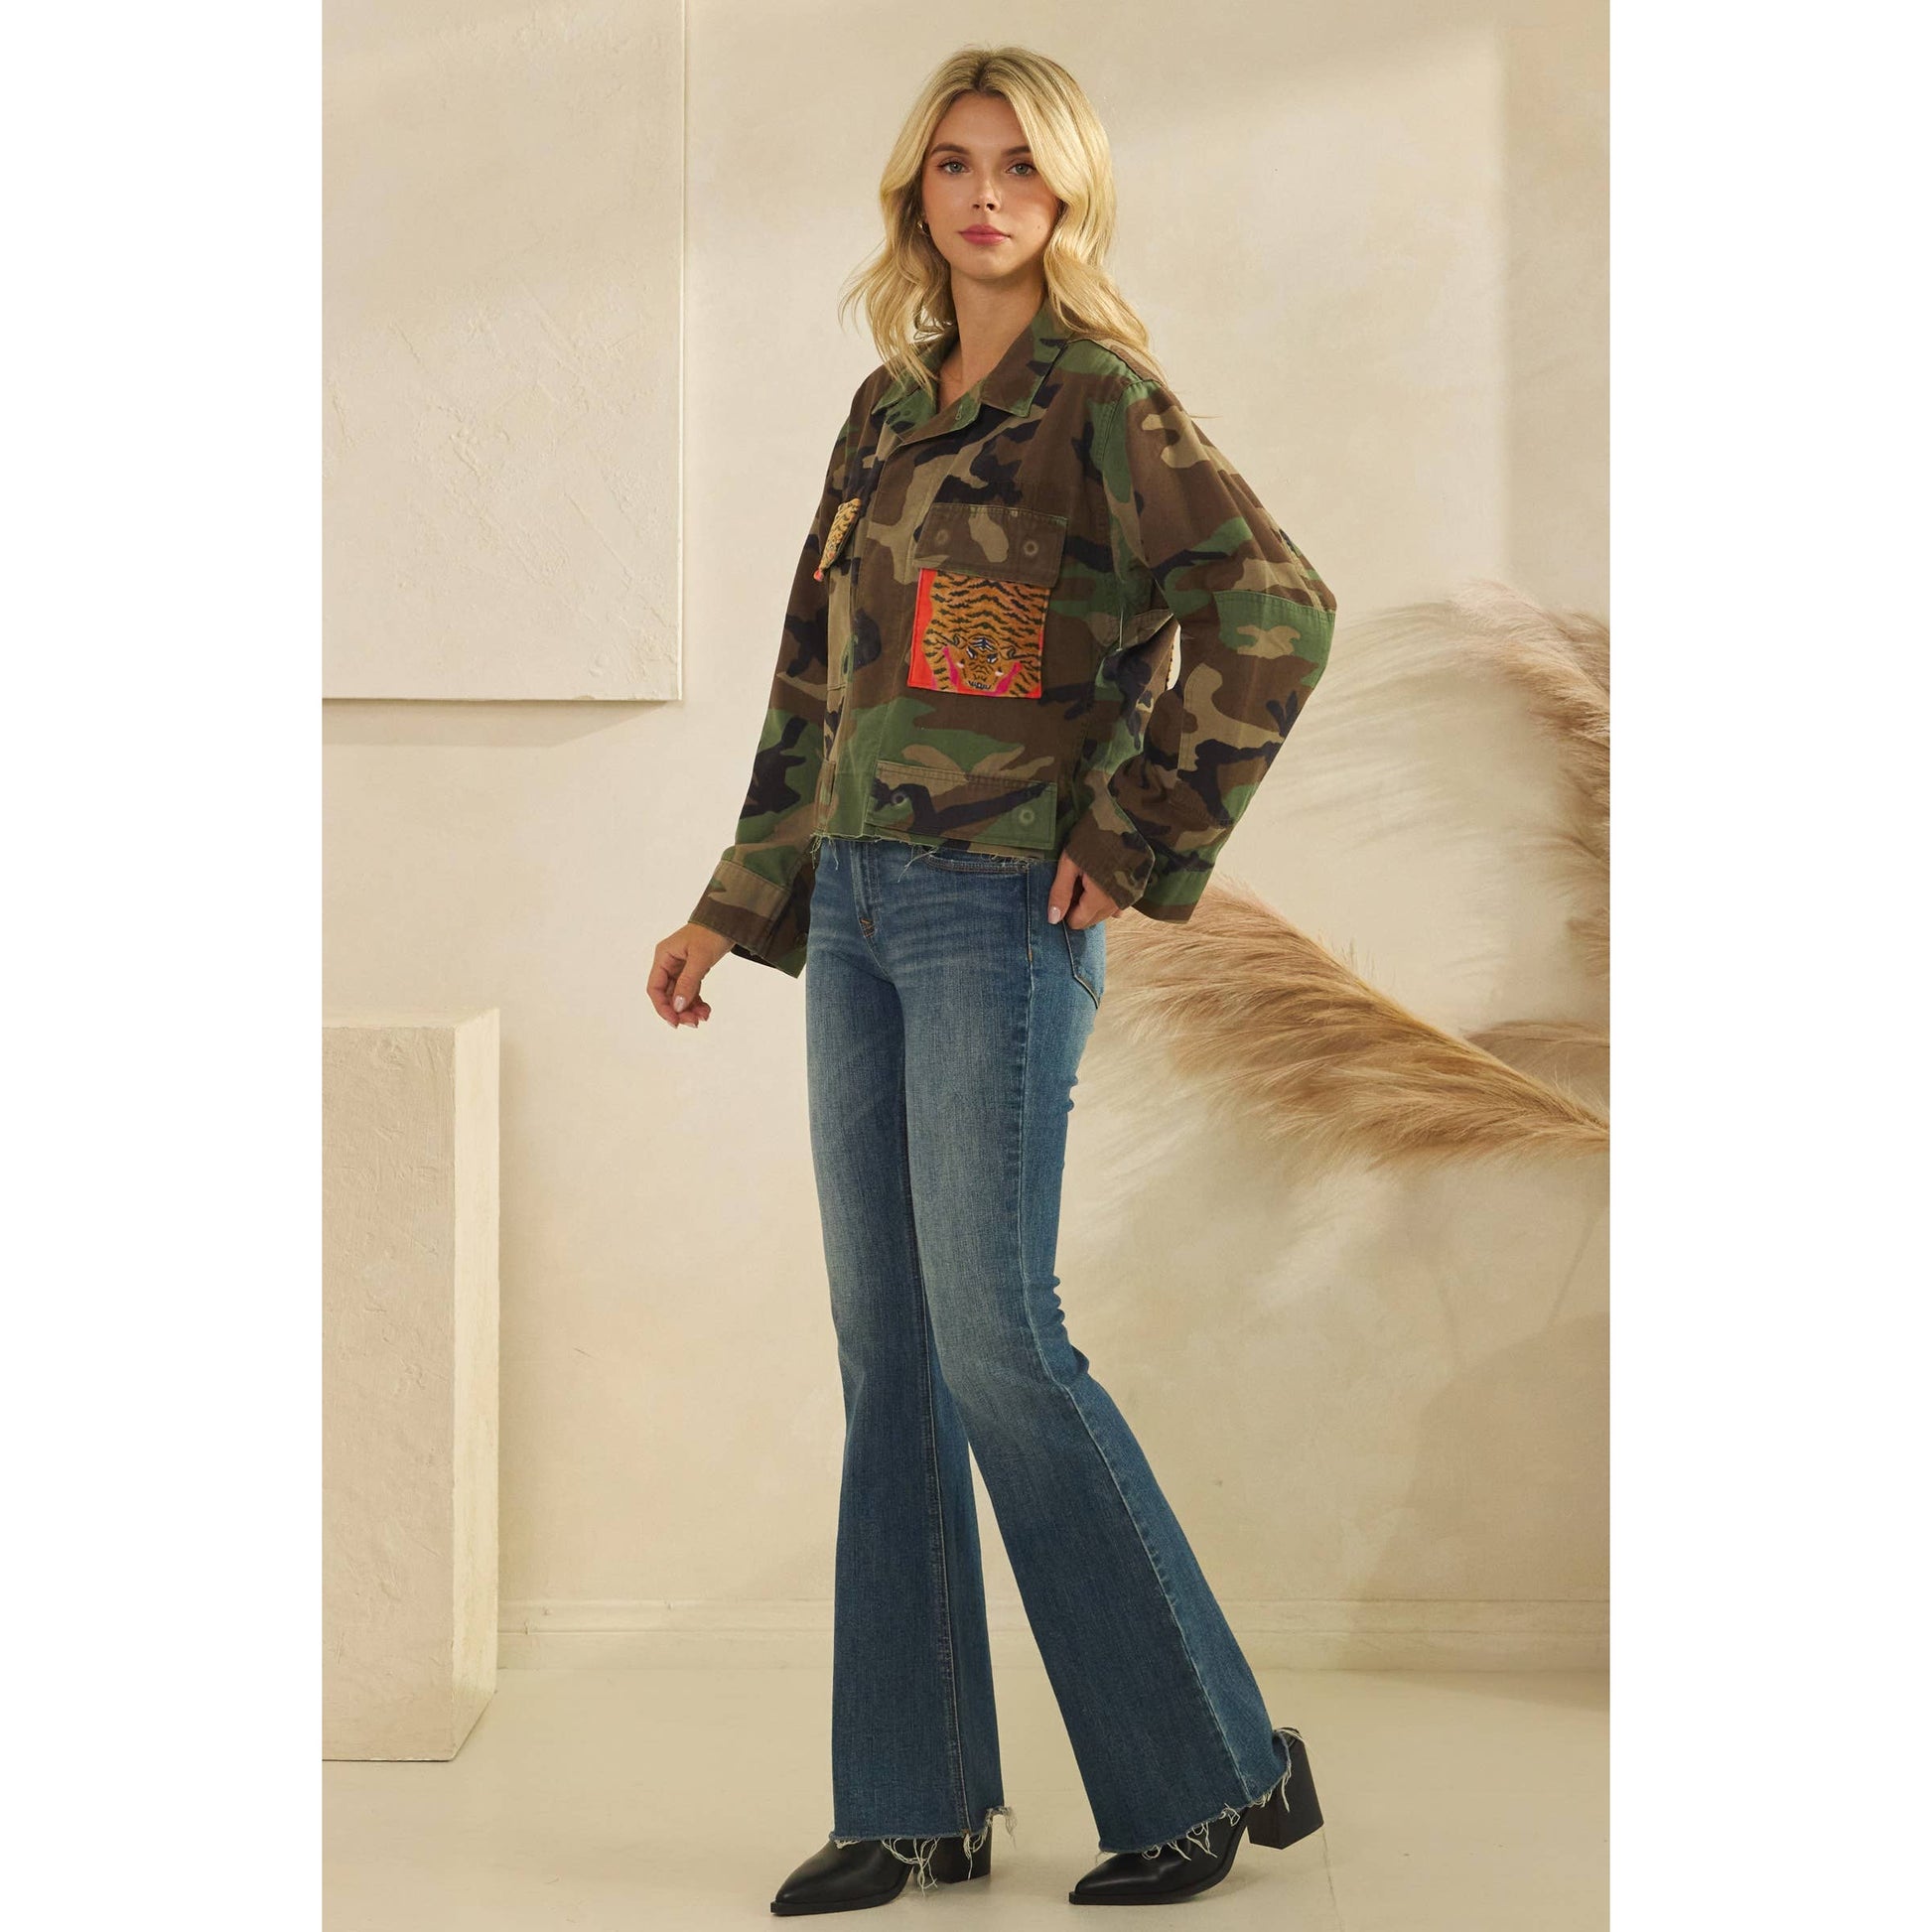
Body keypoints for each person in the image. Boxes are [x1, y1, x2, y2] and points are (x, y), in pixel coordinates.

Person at [651, 44, 1336, 1914]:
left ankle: (1203, 1767)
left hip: (997, 918)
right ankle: (916, 1796)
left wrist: (1133, 830)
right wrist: (735, 900)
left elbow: (1275, 612)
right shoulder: (884, 413)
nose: (984, 196)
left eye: (1019, 167)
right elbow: (816, 683)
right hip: (859, 910)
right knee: (889, 1355)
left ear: (1067, 196)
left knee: (998, 1339)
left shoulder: (1100, 402)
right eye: (954, 164)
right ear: (915, 193)